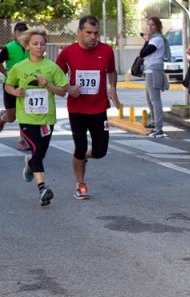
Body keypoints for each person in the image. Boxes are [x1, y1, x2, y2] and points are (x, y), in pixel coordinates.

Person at [55, 15, 121, 200]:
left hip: (99, 107)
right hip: (77, 108)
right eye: (89, 33)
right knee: (80, 146)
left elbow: (111, 71)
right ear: (79, 32)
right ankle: (80, 183)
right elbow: (56, 76)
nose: (93, 37)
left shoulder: (106, 50)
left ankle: (81, 158)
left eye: (96, 33)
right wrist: (68, 87)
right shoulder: (68, 52)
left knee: (100, 151)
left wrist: (112, 87)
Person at [4, 27, 68, 206]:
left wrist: (48, 85)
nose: (39, 47)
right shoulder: (19, 67)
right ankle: (42, 189)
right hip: (27, 118)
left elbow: (63, 91)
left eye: (42, 43)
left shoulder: (51, 67)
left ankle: (31, 162)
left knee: (40, 153)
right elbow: (8, 85)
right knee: (37, 152)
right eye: (35, 44)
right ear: (27, 46)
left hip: (47, 118)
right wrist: (15, 91)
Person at [0, 22, 31, 151]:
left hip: (26, 86)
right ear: (15, 32)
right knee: (12, 117)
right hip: (11, 86)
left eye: (24, 31)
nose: (22, 33)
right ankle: (3, 118)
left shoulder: (31, 46)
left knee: (25, 113)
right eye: (19, 31)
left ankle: (22, 140)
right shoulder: (9, 47)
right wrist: (6, 72)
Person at [139, 16, 170, 138]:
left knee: (155, 100)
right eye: (148, 25)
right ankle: (154, 123)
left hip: (154, 70)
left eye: (152, 25)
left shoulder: (156, 39)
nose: (150, 27)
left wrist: (147, 40)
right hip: (149, 70)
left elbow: (143, 53)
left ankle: (159, 128)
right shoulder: (154, 39)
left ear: (158, 27)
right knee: (149, 99)